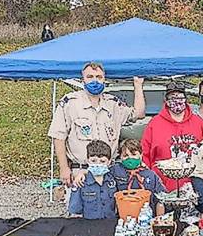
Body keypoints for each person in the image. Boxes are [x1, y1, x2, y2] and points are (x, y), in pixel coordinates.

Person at [48, 62, 145, 190]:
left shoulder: (113, 104)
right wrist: (64, 168)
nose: (95, 81)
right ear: (83, 79)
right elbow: (58, 137)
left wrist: (138, 85)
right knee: (78, 209)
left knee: (112, 208)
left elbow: (139, 113)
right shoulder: (70, 103)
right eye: (90, 77)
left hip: (109, 172)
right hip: (80, 172)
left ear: (104, 79)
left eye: (99, 77)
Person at [141, 81, 203, 191]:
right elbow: (145, 155)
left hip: (195, 188)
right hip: (163, 187)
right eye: (172, 97)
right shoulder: (154, 124)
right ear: (166, 100)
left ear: (185, 99)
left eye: (180, 97)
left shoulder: (199, 123)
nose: (177, 101)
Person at [112, 139, 166, 216]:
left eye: (134, 154)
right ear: (120, 157)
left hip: (145, 217)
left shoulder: (151, 175)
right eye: (125, 155)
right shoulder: (115, 170)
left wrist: (159, 220)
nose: (130, 158)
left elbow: (161, 197)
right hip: (123, 216)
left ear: (141, 155)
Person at [69, 140, 117, 219]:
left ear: (109, 162)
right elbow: (75, 209)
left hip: (110, 222)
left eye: (102, 161)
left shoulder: (113, 178)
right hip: (89, 224)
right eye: (93, 161)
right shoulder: (81, 182)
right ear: (88, 160)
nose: (98, 164)